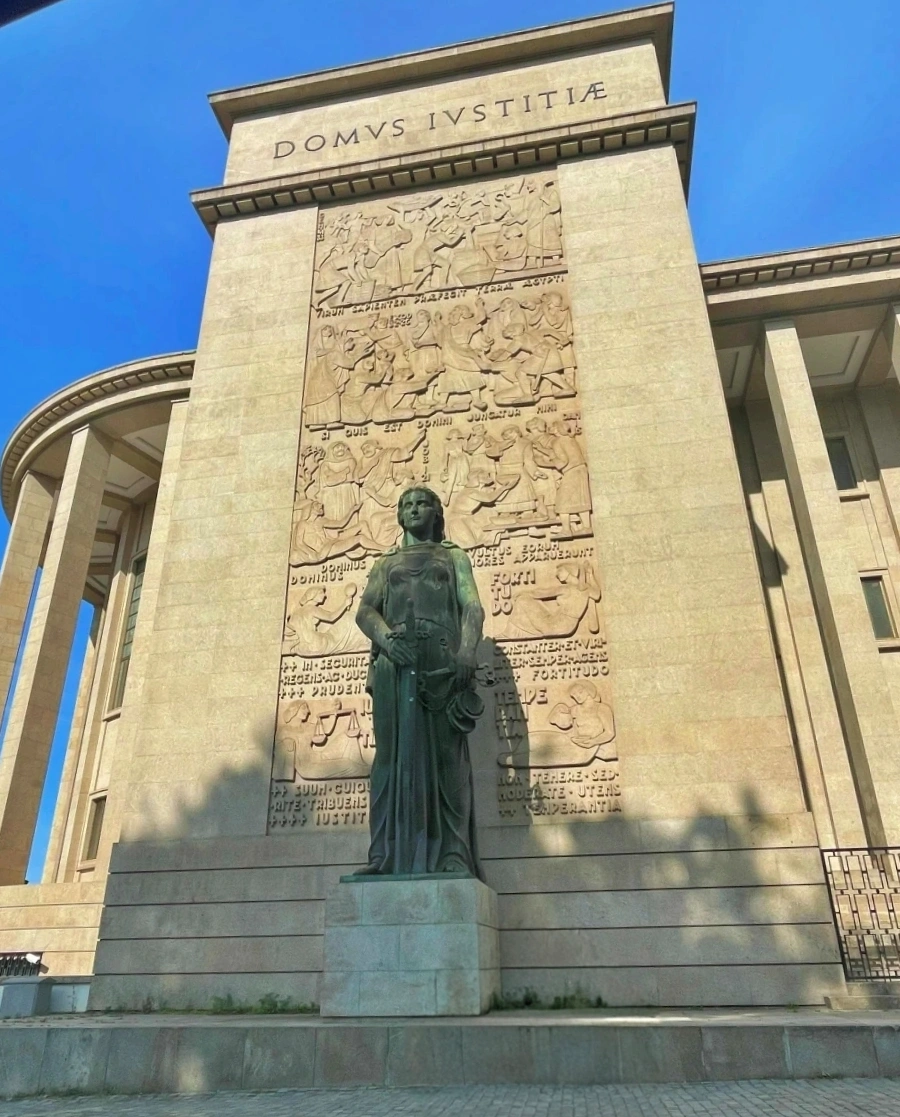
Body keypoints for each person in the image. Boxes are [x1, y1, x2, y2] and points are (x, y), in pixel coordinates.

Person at [354, 486, 486, 877]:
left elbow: (472, 606)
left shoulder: (453, 556)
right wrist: (387, 641)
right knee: (389, 756)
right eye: (407, 505)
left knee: (447, 755)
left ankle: (453, 854)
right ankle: (383, 856)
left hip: (441, 661)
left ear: (436, 512)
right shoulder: (385, 564)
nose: (414, 509)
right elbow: (365, 612)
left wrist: (467, 651)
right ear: (399, 515)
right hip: (395, 660)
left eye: (422, 503)